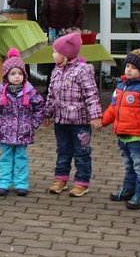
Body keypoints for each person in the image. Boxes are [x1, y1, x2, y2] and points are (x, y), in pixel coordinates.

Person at [101, 42, 140, 211]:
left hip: (138, 136)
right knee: (128, 165)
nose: (128, 70)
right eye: (127, 66)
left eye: (133, 67)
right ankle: (129, 189)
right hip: (123, 135)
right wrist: (103, 121)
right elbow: (113, 108)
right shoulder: (121, 86)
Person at [42, 32, 102, 197]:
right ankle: (61, 178)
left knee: (82, 152)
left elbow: (91, 94)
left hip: (79, 122)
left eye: (55, 51)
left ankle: (82, 182)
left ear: (65, 54)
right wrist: (47, 113)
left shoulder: (83, 71)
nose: (53, 54)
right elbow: (51, 95)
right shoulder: (56, 71)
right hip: (61, 121)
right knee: (63, 150)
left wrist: (95, 116)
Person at [0, 48, 45, 196]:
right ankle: (3, 182)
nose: (17, 77)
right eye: (13, 74)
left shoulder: (30, 91)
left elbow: (40, 108)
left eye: (20, 73)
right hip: (5, 132)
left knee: (21, 158)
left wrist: (33, 123)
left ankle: (21, 183)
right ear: (6, 75)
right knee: (5, 158)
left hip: (22, 132)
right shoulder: (0, 92)